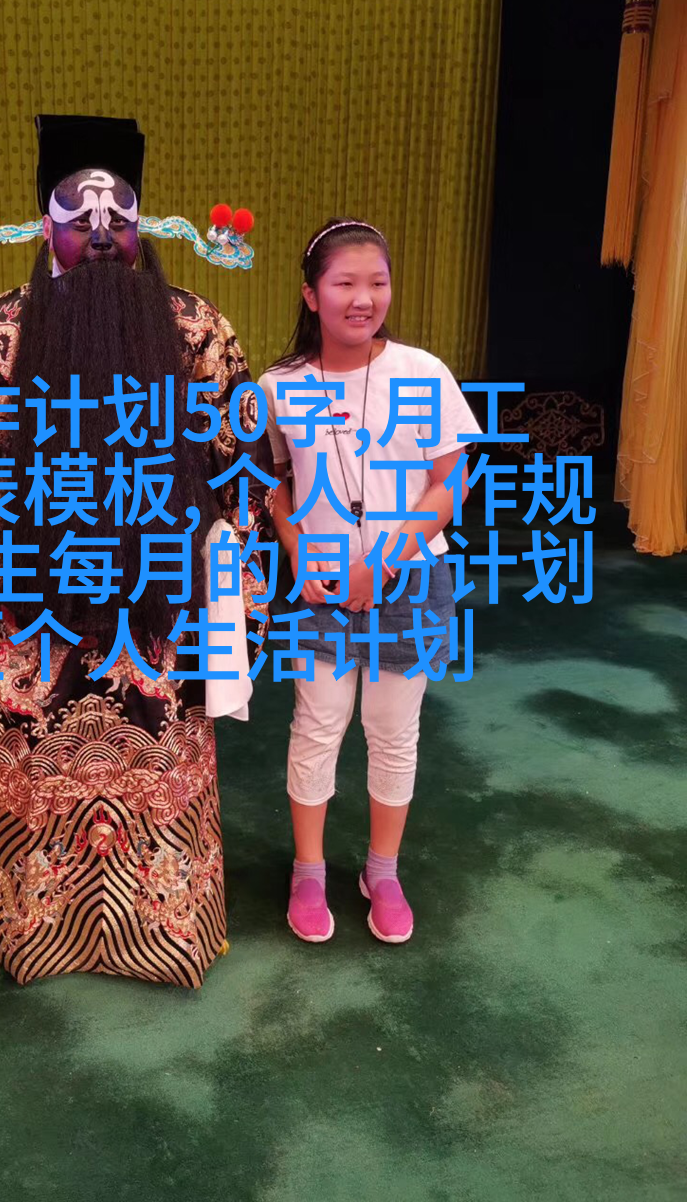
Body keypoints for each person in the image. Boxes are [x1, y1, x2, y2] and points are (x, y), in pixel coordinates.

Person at [0, 114, 274, 988]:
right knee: (28, 759)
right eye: (81, 218)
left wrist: (234, 586)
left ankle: (163, 928)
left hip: (158, 595)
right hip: (27, 598)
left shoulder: (195, 326)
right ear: (47, 225)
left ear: (144, 222)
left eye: (120, 217)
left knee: (159, 750)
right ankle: (32, 927)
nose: (103, 233)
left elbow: (240, 466)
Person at [258, 219, 479, 946]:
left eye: (377, 283)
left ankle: (382, 871)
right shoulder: (280, 386)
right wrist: (300, 554)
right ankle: (309, 870)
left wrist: (380, 560)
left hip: (408, 578)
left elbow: (451, 482)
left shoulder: (423, 372)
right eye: (345, 283)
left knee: (392, 730)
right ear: (310, 294)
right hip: (319, 588)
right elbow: (276, 486)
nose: (363, 298)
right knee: (317, 725)